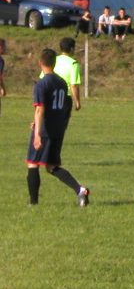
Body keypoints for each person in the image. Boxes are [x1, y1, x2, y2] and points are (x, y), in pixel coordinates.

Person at [27, 48, 90, 207]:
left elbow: (40, 109)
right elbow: (58, 107)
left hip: (45, 130)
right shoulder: (62, 82)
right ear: (54, 63)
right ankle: (80, 190)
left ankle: (33, 203)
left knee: (32, 163)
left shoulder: (41, 84)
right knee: (51, 167)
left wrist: (37, 134)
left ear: (40, 63)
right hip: (58, 129)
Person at [51, 37, 83, 113]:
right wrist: (77, 101)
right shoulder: (73, 64)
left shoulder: (53, 60)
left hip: (51, 95)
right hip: (64, 97)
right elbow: (73, 85)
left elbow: (43, 77)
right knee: (61, 123)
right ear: (72, 49)